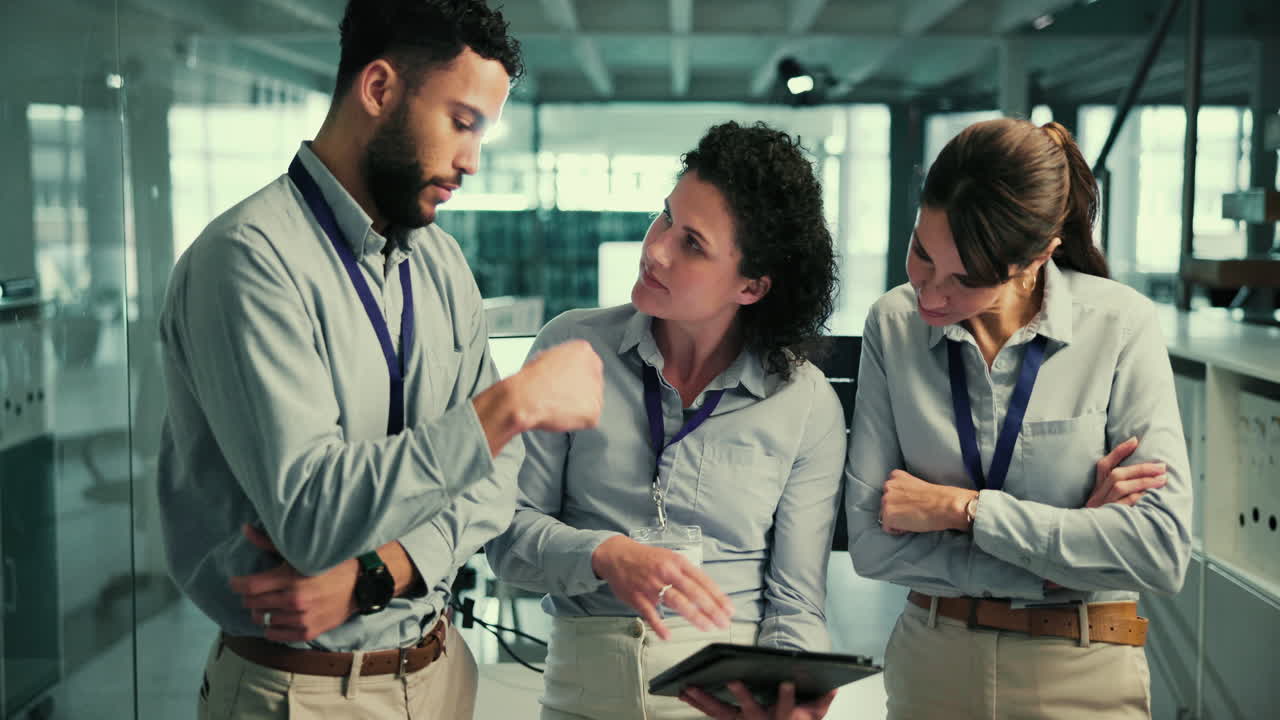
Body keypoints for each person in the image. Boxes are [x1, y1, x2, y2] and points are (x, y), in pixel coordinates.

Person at [156, 2, 603, 718]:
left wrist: (380, 573)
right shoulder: (247, 261)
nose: (472, 161)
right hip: (301, 690)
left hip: (438, 669)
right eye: (462, 122)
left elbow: (497, 481)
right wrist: (505, 408)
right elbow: (312, 518)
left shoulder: (441, 261)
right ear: (378, 90)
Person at [485, 121, 846, 720]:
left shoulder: (805, 403)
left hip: (723, 703)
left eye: (693, 244)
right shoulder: (572, 346)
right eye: (664, 219)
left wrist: (794, 695)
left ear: (752, 286)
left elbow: (795, 603)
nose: (655, 248)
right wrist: (603, 556)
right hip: (581, 697)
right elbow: (507, 538)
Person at [843, 117, 1192, 719]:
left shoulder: (1119, 325)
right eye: (922, 254)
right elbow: (873, 545)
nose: (928, 294)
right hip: (934, 664)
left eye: (966, 279)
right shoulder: (892, 325)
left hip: (1083, 672)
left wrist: (963, 510)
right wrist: (1061, 556)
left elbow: (1160, 550)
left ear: (1037, 259)